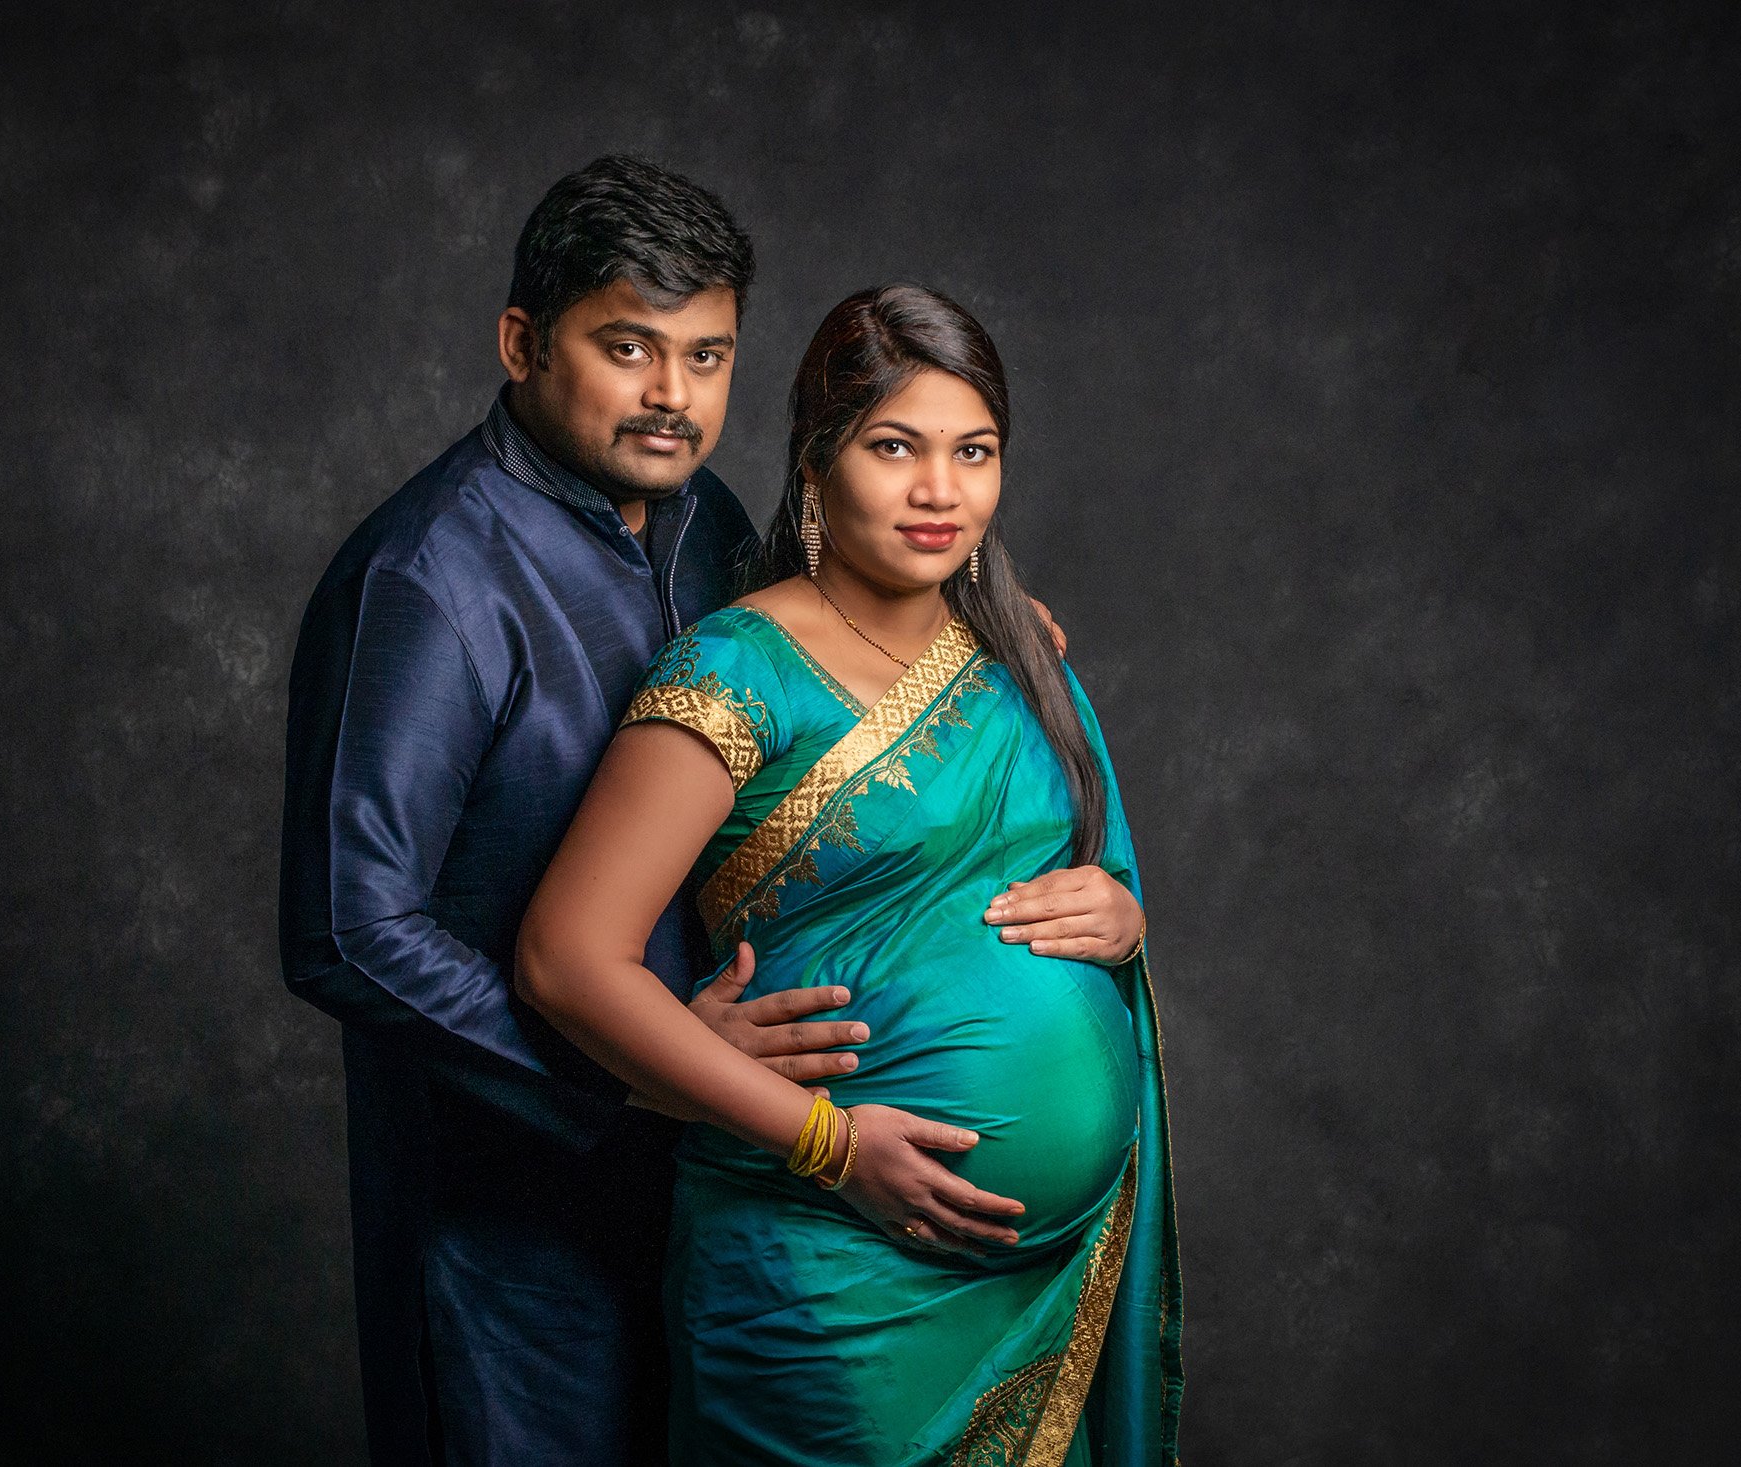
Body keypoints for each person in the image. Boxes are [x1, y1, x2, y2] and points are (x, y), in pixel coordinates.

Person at [282, 155, 1146, 1463]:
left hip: (728, 1173)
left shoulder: (701, 523)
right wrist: (623, 1071)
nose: (672, 396)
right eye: (628, 348)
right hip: (517, 1203)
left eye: (706, 355)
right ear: (523, 343)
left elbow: (816, 683)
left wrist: (975, 631)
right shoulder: (427, 578)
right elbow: (347, 932)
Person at [518, 284, 1181, 1465]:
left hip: (1036, 1290)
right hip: (822, 1277)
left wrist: (1122, 919)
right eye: (895, 447)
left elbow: (1078, 858)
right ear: (818, 462)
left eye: (972, 452)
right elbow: (565, 960)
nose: (940, 492)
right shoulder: (734, 671)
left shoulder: (1011, 649)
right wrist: (828, 1142)